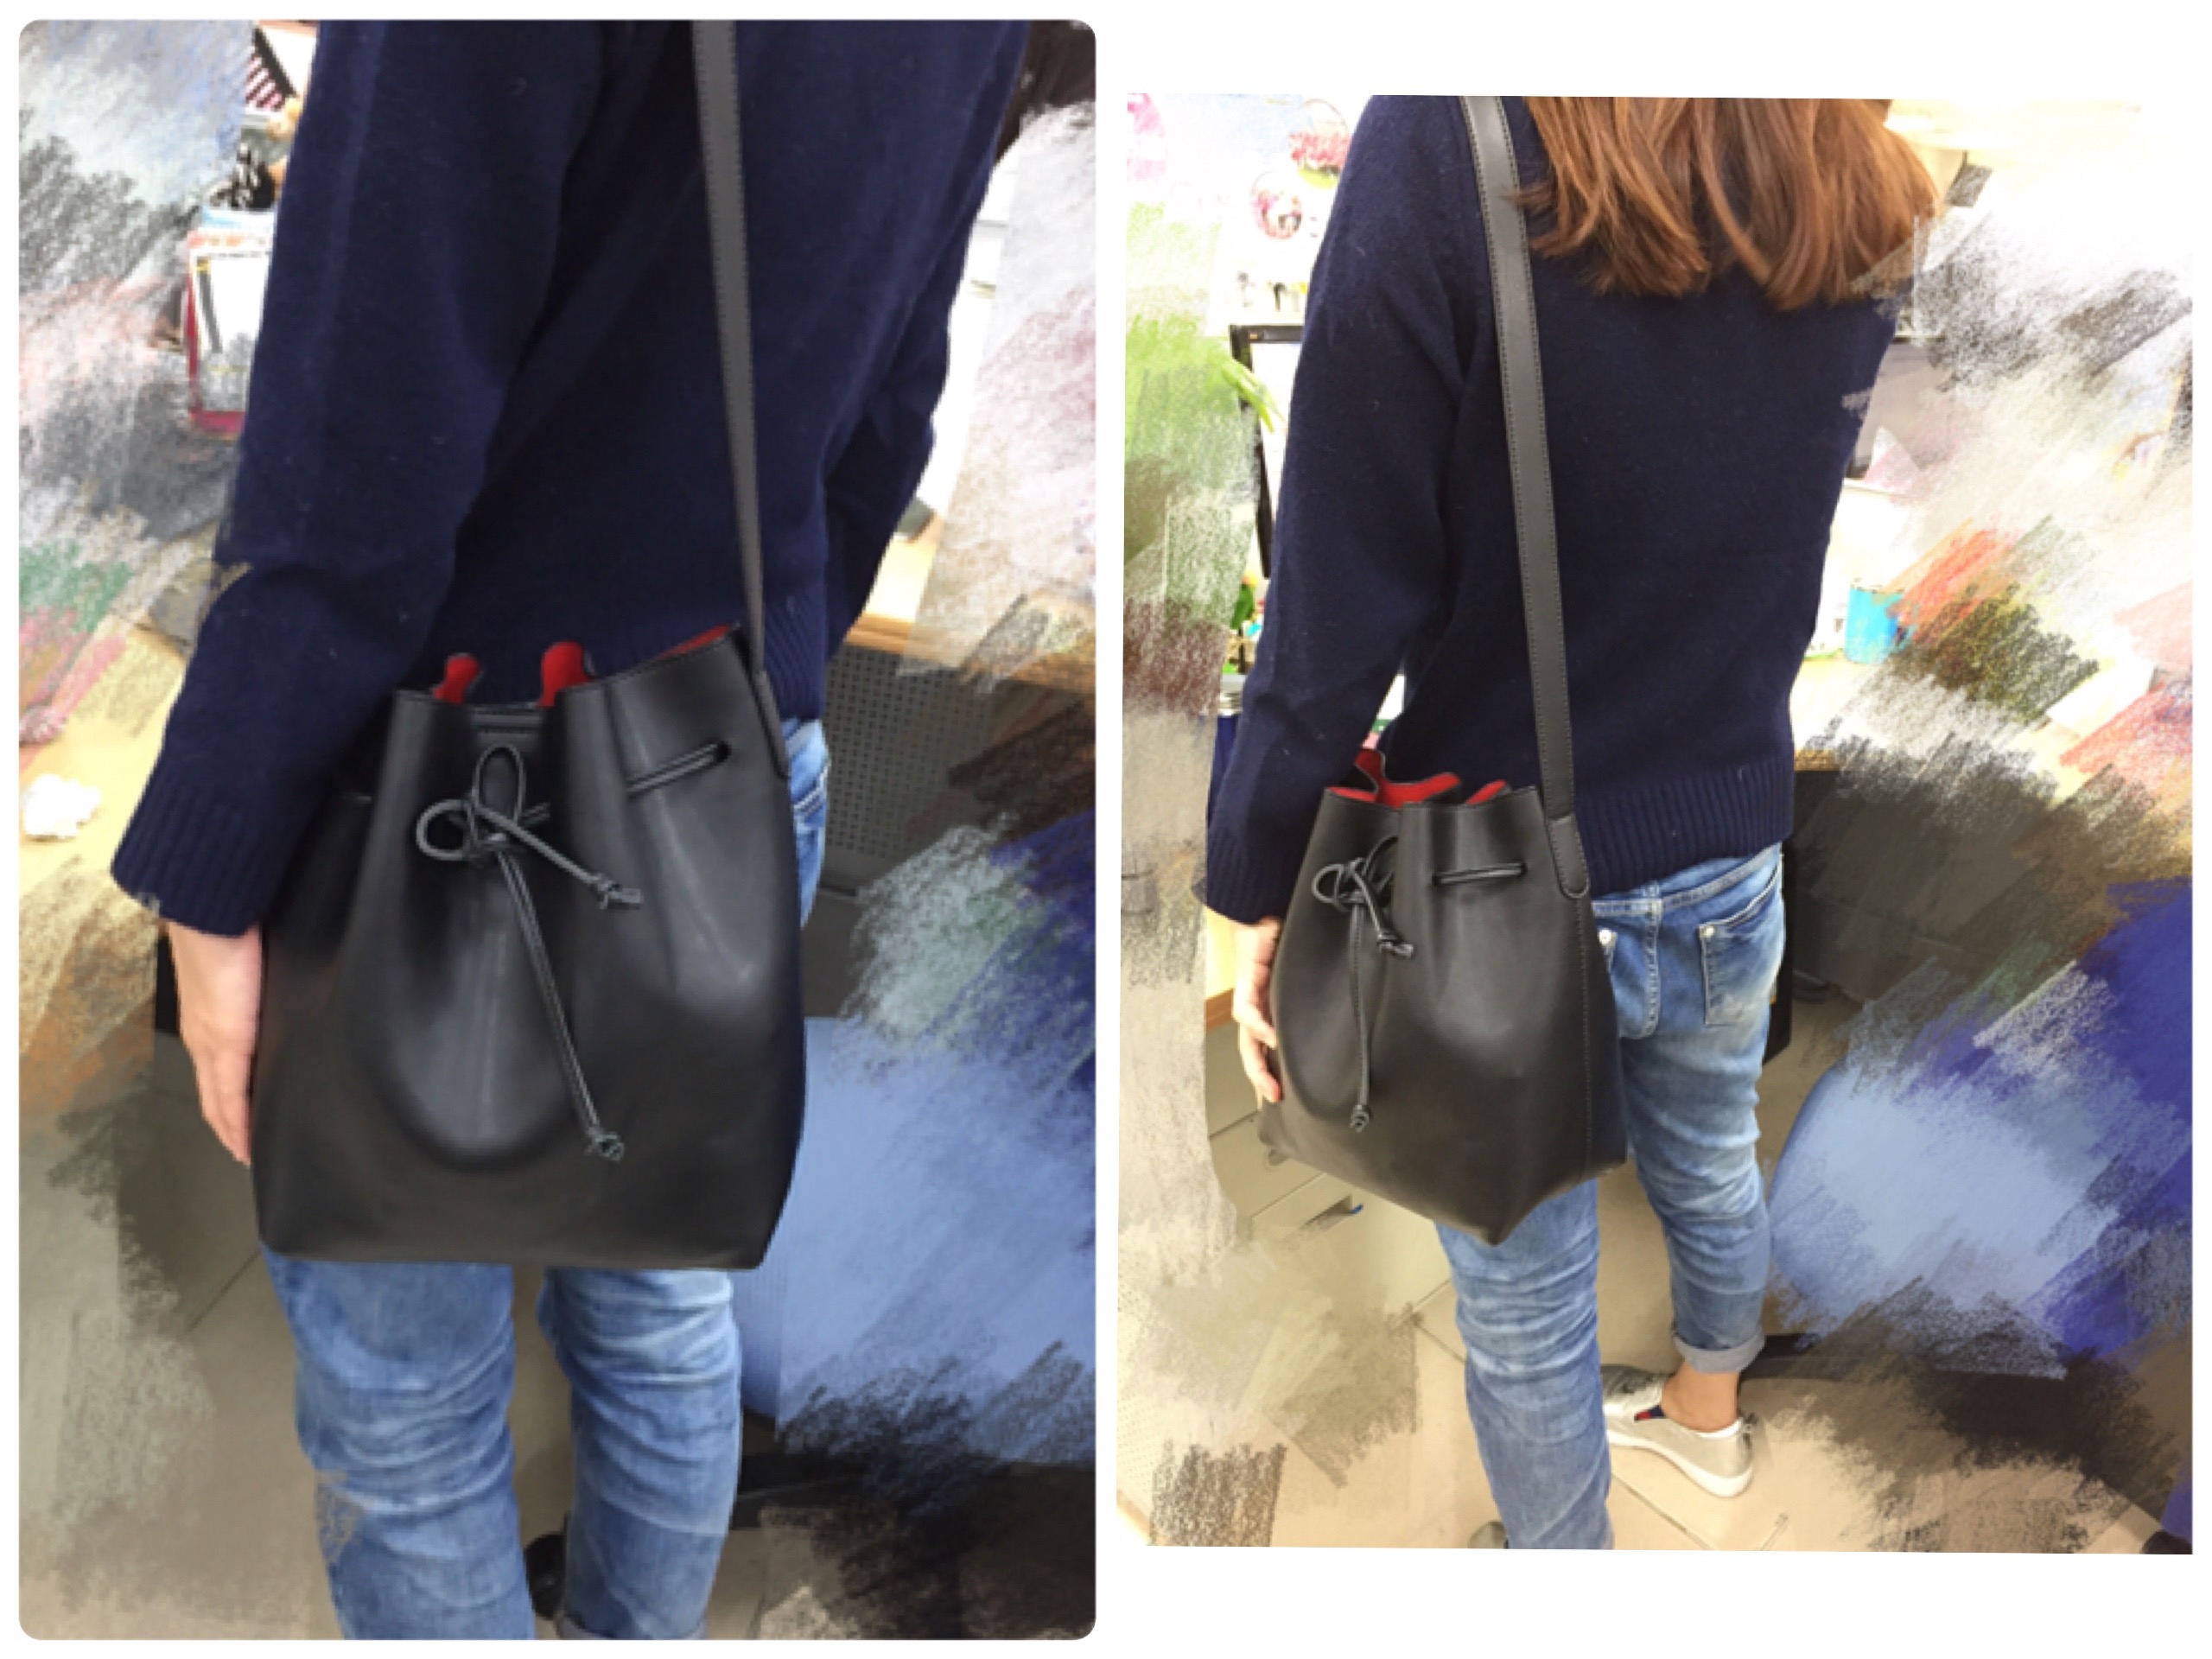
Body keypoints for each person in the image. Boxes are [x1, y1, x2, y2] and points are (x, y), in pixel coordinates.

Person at [110, 21, 1025, 1637]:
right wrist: (760, 677)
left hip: (415, 783)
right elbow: (895, 399)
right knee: (661, 1312)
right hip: (723, 750)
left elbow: (355, 479)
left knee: (408, 1410)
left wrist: (210, 855)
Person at [1205, 97, 1935, 1550]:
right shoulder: (1855, 169)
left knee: (1526, 1293)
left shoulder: (1450, 132)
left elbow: (1339, 589)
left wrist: (1257, 867)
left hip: (1498, 876)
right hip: (1732, 837)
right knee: (1711, 1160)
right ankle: (1710, 1419)